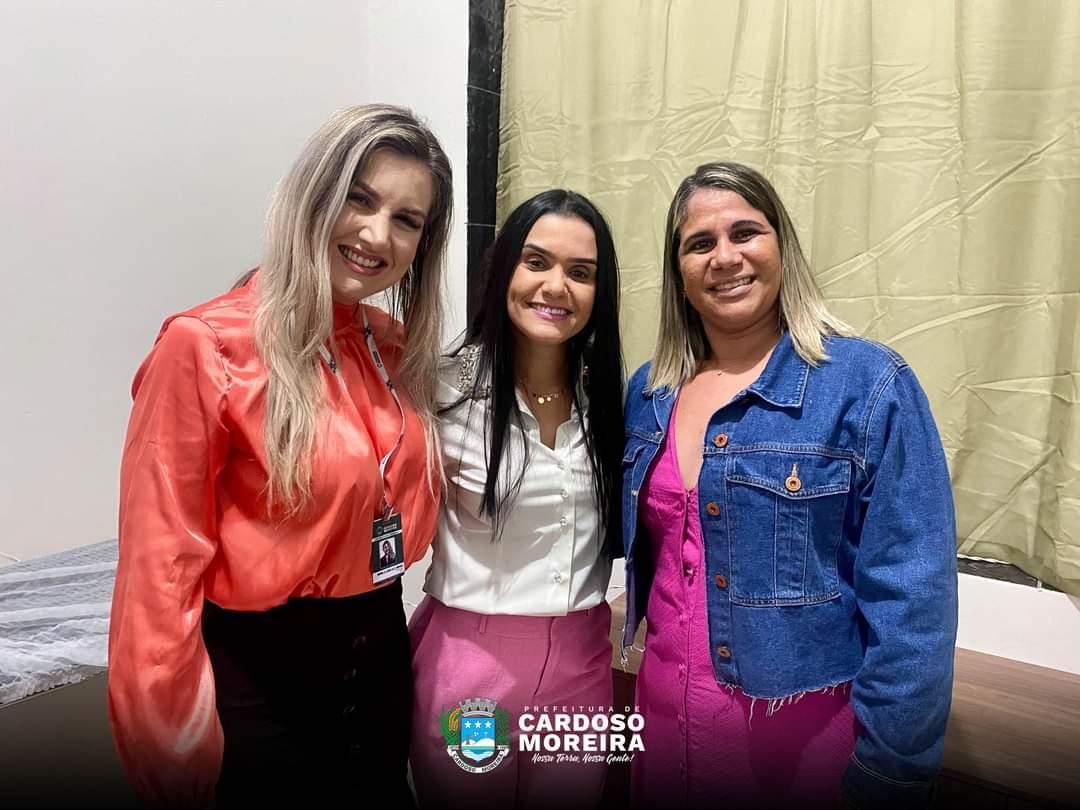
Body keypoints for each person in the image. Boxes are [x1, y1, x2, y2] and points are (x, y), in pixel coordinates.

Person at [107, 104, 452, 809]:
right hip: (260, 689)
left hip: (382, 664)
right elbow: (158, 576)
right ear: (313, 194)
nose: (376, 234)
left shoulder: (393, 350)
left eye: (406, 220)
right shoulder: (205, 347)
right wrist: (171, 759)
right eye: (359, 200)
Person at [621, 162, 958, 809]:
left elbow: (913, 602)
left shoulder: (868, 384)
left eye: (745, 232)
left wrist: (892, 776)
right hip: (661, 731)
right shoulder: (649, 391)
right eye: (699, 243)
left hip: (802, 757)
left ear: (783, 247)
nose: (725, 257)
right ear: (678, 273)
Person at [408, 190, 625, 809]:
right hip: (471, 669)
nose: (556, 286)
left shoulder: (610, 397)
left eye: (581, 272)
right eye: (536, 262)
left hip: (582, 667)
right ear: (503, 269)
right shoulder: (441, 388)